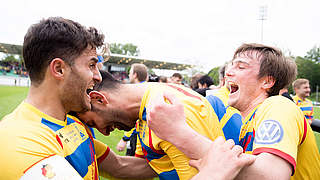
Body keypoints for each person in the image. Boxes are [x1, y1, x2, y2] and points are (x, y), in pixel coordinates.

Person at [0, 17, 155, 180]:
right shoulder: (19, 139)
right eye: (91, 65)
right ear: (59, 69)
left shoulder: (74, 124)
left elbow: (119, 166)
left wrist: (179, 152)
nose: (98, 77)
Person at [147, 43, 320, 179]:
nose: (228, 73)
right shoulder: (246, 123)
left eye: (240, 67)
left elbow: (270, 176)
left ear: (267, 81)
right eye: (230, 66)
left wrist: (178, 133)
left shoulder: (277, 106)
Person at [79, 70, 224, 180]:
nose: (103, 133)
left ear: (98, 99)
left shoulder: (170, 109)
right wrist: (87, 148)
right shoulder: (145, 109)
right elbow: (149, 166)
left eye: (93, 123)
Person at [117, 63, 148, 155]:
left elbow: (135, 119)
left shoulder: (137, 91)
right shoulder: (147, 89)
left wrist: (125, 139)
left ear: (135, 75)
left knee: (133, 163)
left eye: (130, 72)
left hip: (138, 136)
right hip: (147, 137)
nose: (129, 75)